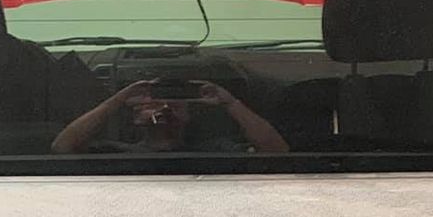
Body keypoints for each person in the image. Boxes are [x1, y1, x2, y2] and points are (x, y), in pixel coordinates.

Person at [52, 79, 289, 154]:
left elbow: (277, 150)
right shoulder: (114, 151)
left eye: (175, 104)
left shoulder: (216, 152)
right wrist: (117, 100)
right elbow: (62, 147)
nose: (164, 108)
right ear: (135, 118)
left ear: (188, 115)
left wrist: (229, 102)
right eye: (153, 103)